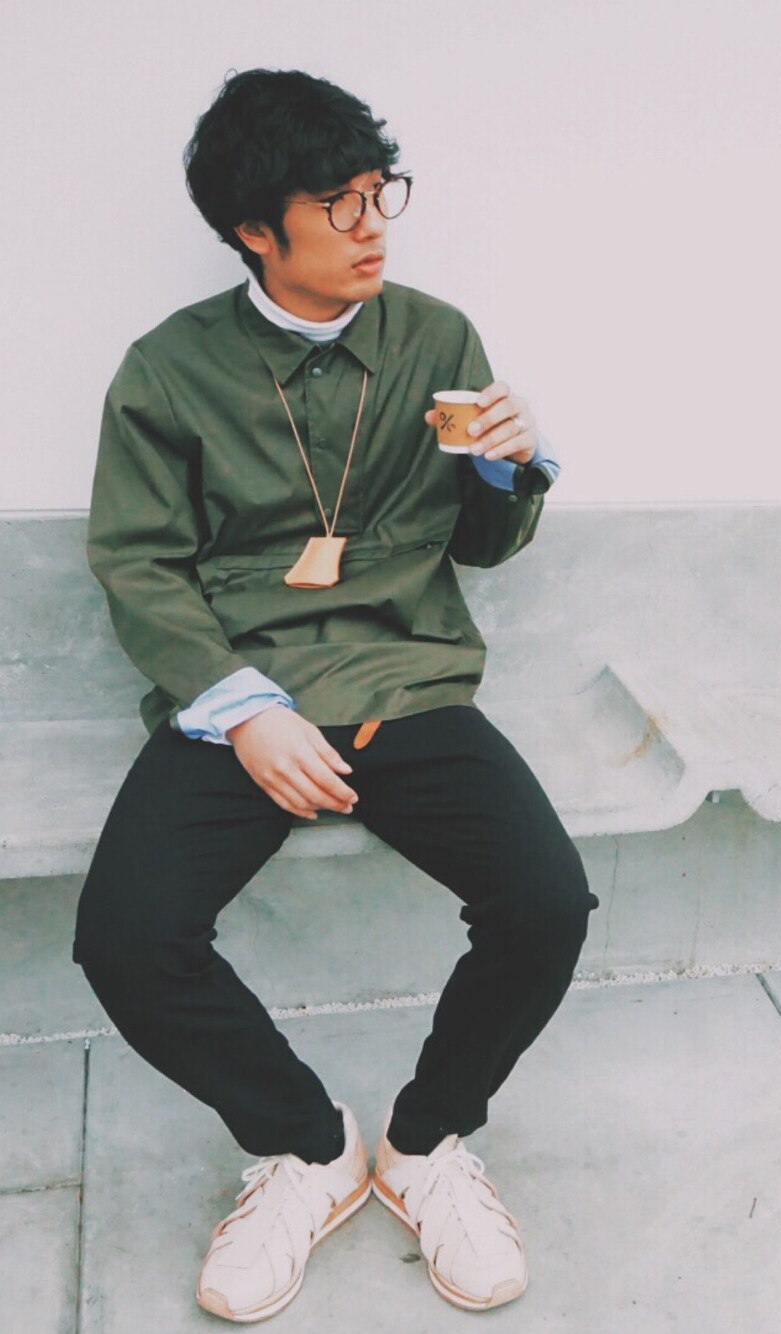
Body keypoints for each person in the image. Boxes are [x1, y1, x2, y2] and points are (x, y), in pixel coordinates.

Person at [72, 67, 598, 1322]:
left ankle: (424, 1143)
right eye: (337, 204)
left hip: (406, 674)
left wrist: (512, 468)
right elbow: (138, 564)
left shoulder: (436, 337)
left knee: (543, 901)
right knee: (127, 937)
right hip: (241, 690)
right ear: (255, 229)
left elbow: (481, 548)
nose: (372, 227)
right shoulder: (169, 369)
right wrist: (242, 708)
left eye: (378, 193)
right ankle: (306, 1146)